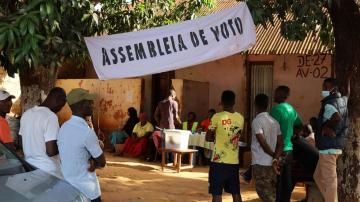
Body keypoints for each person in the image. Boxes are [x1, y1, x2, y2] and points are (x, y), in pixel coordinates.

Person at [58, 88, 106, 202]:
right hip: (87, 190)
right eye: (89, 102)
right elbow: (102, 162)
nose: (92, 105)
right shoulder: (86, 132)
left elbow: (73, 152)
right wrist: (97, 154)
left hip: (69, 187)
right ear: (80, 106)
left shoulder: (63, 127)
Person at [313, 76, 350, 202]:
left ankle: (331, 200)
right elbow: (347, 94)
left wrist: (325, 127)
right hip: (334, 146)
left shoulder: (329, 103)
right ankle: (330, 198)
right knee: (317, 176)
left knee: (330, 181)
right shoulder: (343, 100)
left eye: (325, 87)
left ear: (332, 88)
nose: (323, 89)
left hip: (328, 148)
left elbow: (336, 118)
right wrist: (348, 79)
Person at [206, 90, 244, 202]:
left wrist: (217, 137)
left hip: (218, 162)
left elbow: (208, 137)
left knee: (217, 193)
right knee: (236, 192)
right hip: (234, 162)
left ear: (221, 102)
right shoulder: (240, 118)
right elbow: (239, 136)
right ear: (234, 102)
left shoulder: (216, 117)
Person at [19, 87, 66, 178]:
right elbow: (51, 151)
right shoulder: (51, 117)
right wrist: (64, 143)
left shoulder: (26, 114)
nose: (60, 108)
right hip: (49, 172)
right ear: (58, 99)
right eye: (62, 105)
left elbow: (21, 141)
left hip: (29, 168)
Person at [270, 85, 302, 202]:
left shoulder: (276, 110)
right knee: (286, 180)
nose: (274, 95)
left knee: (277, 181)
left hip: (278, 150)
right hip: (289, 149)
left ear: (280, 94)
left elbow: (270, 129)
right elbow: (299, 124)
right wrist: (294, 135)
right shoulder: (291, 109)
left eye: (275, 92)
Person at [251, 94, 283, 202]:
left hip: (261, 163)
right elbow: (280, 144)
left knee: (266, 196)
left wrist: (274, 156)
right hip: (272, 164)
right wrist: (276, 158)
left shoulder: (256, 121)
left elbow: (263, 143)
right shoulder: (275, 122)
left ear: (255, 105)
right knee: (271, 192)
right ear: (267, 105)